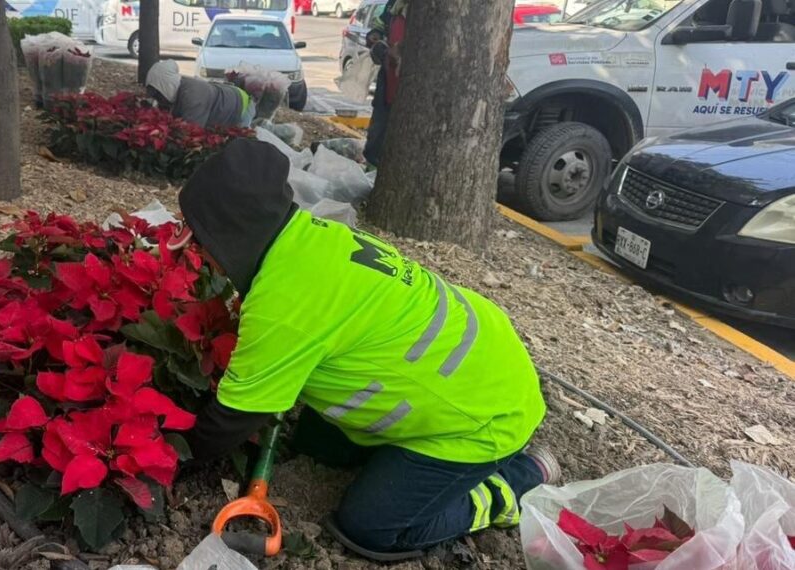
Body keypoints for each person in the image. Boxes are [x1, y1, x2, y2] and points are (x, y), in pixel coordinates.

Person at [171, 138, 557, 561]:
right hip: (483, 361)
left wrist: (169, 458)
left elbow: (231, 419)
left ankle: (512, 483)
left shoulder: (283, 304)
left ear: (228, 233)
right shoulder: (309, 238)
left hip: (484, 417)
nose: (198, 253)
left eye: (198, 239)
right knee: (318, 447)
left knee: (367, 527)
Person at [144, 60, 256, 129]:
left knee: (237, 149)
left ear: (166, 87)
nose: (158, 100)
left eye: (158, 95)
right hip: (229, 102)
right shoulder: (179, 88)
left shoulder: (193, 97)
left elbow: (192, 132)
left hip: (241, 108)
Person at [362, 0, 406, 167]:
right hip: (387, 85)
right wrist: (375, 35)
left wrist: (399, 50)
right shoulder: (394, 4)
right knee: (376, 138)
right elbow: (381, 24)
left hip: (407, 93)